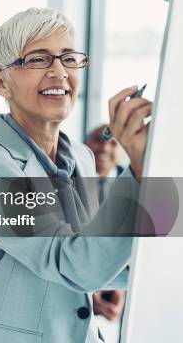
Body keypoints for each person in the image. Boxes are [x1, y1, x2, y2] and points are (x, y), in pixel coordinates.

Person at [0, 8, 151, 342]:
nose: (59, 72)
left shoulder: (81, 156)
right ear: (1, 82)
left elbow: (96, 251)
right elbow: (75, 263)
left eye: (68, 58)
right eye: (38, 60)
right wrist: (139, 172)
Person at [86, 124, 127, 336]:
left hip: (118, 295)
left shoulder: (135, 187)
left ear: (123, 150)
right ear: (85, 144)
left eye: (112, 142)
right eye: (97, 139)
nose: (103, 148)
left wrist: (120, 291)